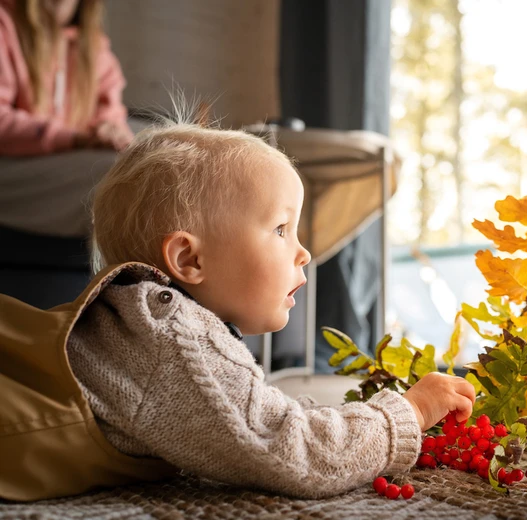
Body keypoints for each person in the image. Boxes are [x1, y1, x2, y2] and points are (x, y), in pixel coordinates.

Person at [0, 117, 477, 501]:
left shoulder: (148, 324)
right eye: (280, 229)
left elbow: (261, 414)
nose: (303, 251)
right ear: (190, 259)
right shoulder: (171, 336)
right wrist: (408, 412)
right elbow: (297, 454)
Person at [0, 0, 133, 237]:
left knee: (155, 154)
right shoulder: (5, 25)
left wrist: (108, 130)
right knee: (113, 176)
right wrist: (73, 139)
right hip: (13, 161)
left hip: (64, 153)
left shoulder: (92, 45)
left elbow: (109, 106)